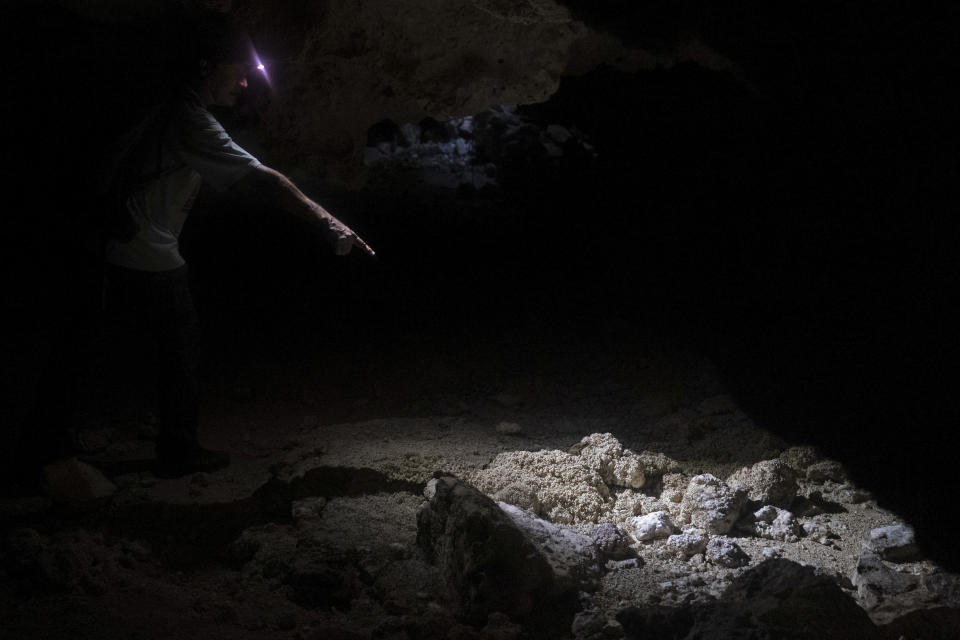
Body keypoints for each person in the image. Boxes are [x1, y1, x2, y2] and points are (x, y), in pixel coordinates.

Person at [102, 16, 374, 478]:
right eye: (237, 70)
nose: (245, 81)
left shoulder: (174, 108)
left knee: (116, 339)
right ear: (208, 67)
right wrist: (328, 222)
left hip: (127, 242)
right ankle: (176, 451)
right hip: (143, 247)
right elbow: (261, 179)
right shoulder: (189, 118)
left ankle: (52, 441)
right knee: (180, 348)